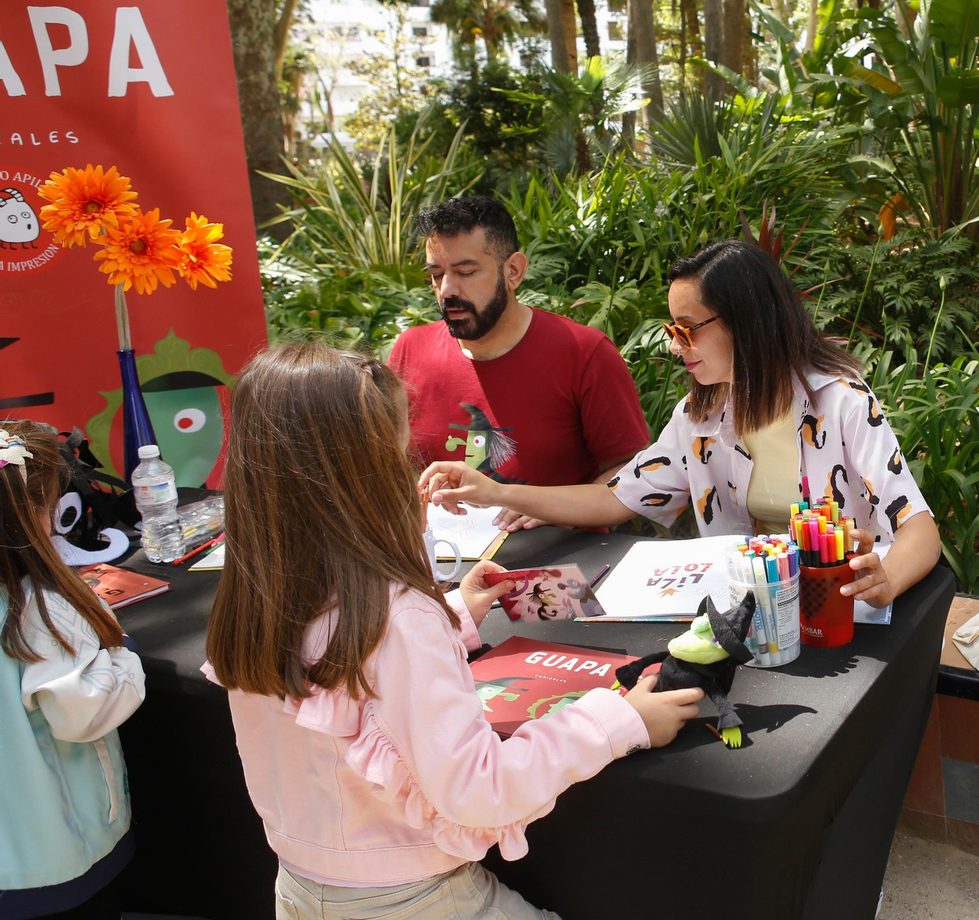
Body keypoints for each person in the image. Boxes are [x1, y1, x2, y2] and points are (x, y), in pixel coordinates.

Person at [203, 343, 702, 920]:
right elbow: (479, 790)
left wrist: (453, 613)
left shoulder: (260, 591)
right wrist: (620, 721)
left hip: (300, 887)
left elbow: (346, 671)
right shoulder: (398, 617)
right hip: (416, 900)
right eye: (400, 454)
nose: (414, 470)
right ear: (364, 476)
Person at [421, 240, 941, 611]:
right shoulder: (701, 416)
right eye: (673, 329)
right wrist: (496, 493)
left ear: (748, 322)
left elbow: (919, 527)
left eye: (687, 330)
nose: (674, 345)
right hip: (750, 613)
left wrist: (886, 580)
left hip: (834, 611)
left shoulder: (841, 403)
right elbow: (615, 498)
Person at [389, 195, 651, 530]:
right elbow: (386, 464)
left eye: (466, 272)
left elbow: (635, 470)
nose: (447, 290)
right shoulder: (410, 350)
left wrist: (547, 506)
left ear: (513, 271)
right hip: (442, 561)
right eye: (436, 275)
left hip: (561, 563)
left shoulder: (584, 352)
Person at [0, 422, 145, 920]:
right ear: (36, 512)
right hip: (61, 858)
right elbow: (82, 715)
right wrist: (121, 652)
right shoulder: (40, 611)